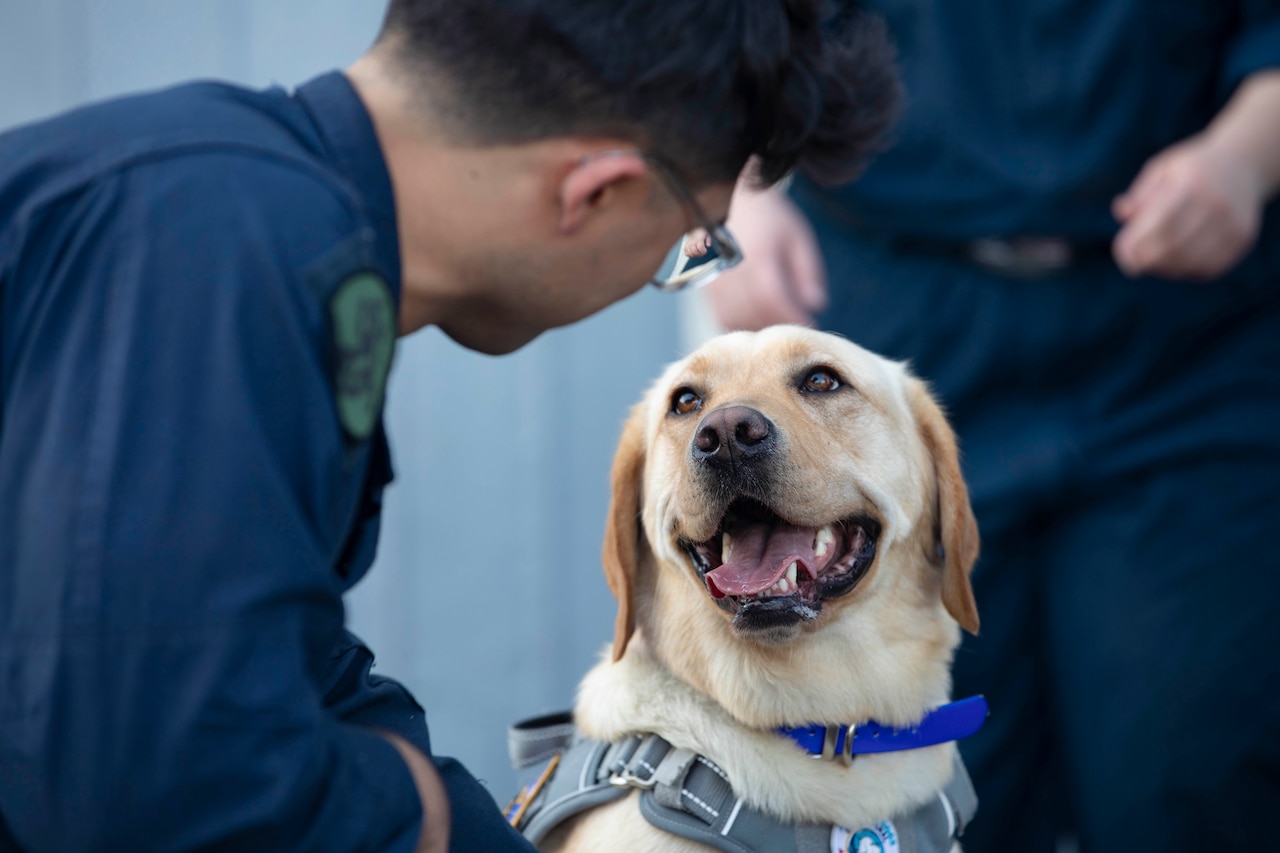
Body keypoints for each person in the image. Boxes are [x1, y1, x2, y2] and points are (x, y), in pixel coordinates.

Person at [0, 1, 900, 850]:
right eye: (687, 244)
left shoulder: (238, 216)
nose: (658, 272)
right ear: (596, 194)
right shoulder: (212, 263)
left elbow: (277, 667)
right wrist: (413, 804)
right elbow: (144, 777)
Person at [704, 2, 1280, 850]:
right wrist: (740, 191)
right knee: (923, 788)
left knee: (1185, 772)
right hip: (897, 336)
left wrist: (1243, 155)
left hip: (1181, 339)